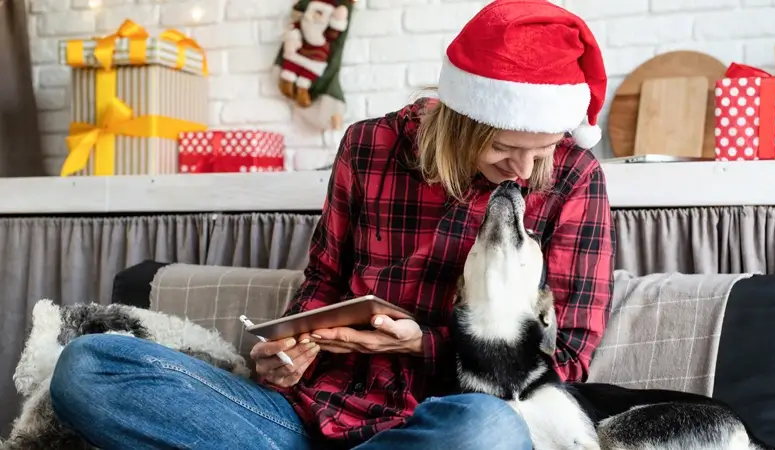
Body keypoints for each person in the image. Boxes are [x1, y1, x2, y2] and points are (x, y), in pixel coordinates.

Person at [49, 0, 615, 449]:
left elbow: (568, 358)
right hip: (307, 418)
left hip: (438, 425)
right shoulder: (371, 145)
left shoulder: (574, 176)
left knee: (491, 431)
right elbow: (321, 284)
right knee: (89, 367)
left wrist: (423, 345)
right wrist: (285, 354)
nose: (523, 170)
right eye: (503, 147)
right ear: (463, 120)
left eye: (540, 152)